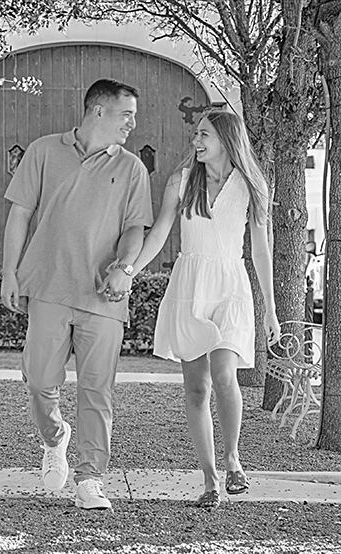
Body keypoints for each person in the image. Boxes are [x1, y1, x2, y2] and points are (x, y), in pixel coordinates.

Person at [104, 111, 278, 509]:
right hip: (190, 285)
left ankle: (233, 456)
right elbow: (161, 231)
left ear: (226, 139)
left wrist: (270, 309)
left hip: (231, 286)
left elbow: (261, 249)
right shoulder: (181, 182)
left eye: (204, 135)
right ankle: (211, 479)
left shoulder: (252, 186)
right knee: (197, 388)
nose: (196, 141)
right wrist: (129, 270)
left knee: (224, 373)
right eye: (196, 134)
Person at [0, 78, 154, 510]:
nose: (132, 123)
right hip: (47, 285)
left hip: (103, 297)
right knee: (39, 380)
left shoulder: (131, 169)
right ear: (98, 111)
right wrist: (9, 273)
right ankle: (54, 438)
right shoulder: (44, 151)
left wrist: (124, 268)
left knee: (96, 391)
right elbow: (20, 214)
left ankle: (90, 478)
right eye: (126, 114)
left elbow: (134, 230)